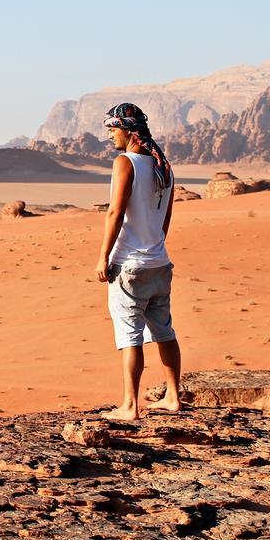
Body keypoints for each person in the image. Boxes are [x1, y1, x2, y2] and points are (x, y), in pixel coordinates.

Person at [94, 103, 182, 420]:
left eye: (113, 129)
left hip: (129, 265)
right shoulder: (164, 166)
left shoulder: (125, 163)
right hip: (159, 263)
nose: (110, 136)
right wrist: (155, 245)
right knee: (164, 331)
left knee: (130, 335)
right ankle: (173, 397)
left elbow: (115, 213)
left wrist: (103, 256)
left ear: (128, 131)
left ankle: (129, 406)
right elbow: (166, 217)